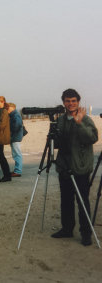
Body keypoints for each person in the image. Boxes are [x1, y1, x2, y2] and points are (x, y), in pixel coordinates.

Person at [51, 89, 98, 246]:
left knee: (82, 201)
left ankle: (86, 233)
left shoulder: (86, 119)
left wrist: (79, 123)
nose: (70, 104)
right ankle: (67, 229)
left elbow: (92, 138)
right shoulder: (61, 120)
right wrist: (52, 136)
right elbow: (58, 143)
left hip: (80, 167)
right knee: (66, 200)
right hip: (64, 166)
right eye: (67, 101)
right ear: (63, 102)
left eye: (73, 101)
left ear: (78, 102)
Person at [7, 103, 23, 177]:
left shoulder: (15, 115)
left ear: (12, 107)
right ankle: (17, 170)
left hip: (15, 137)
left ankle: (18, 171)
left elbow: (17, 125)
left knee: (17, 154)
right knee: (16, 154)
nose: (7, 109)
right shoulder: (15, 114)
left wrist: (11, 131)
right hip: (16, 137)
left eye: (8, 108)